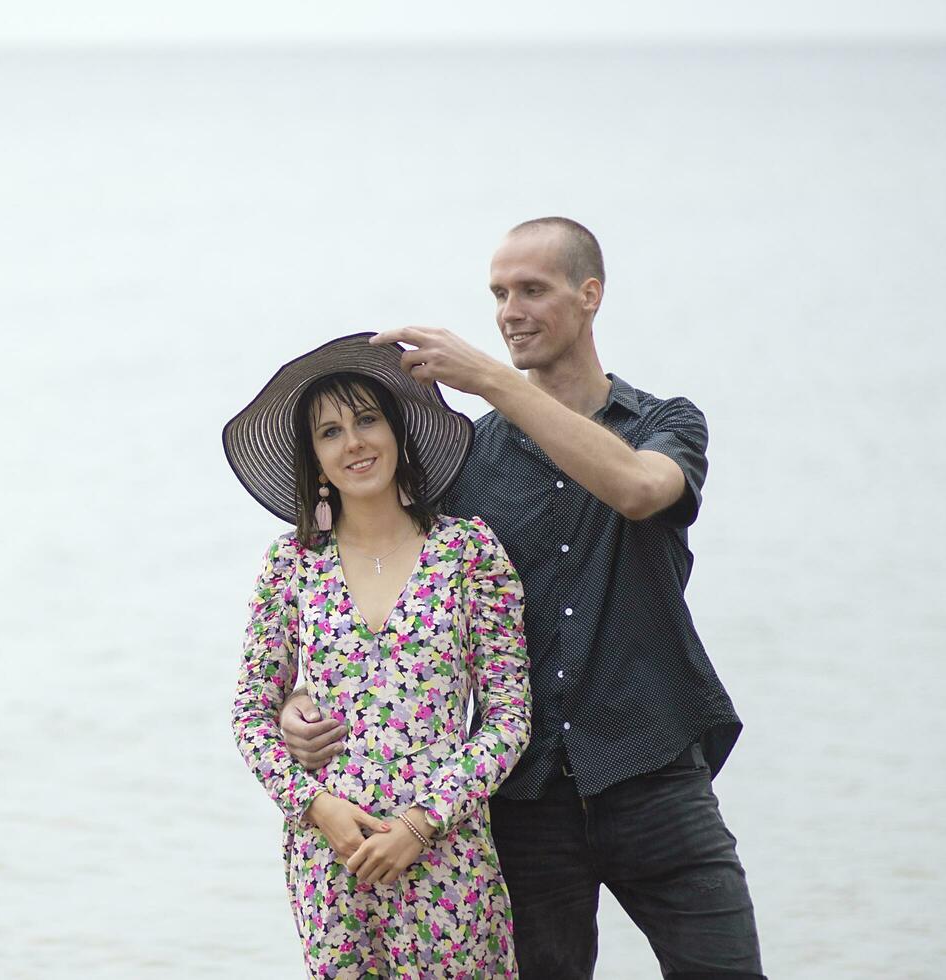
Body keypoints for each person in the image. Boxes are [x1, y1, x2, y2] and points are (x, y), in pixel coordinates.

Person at [280, 218, 765, 979]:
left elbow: (640, 491)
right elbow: (379, 597)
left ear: (590, 295)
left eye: (532, 290)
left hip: (657, 776)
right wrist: (296, 705)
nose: (510, 310)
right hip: (524, 798)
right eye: (500, 294)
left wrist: (492, 381)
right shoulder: (468, 463)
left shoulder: (666, 425)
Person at [224, 335, 532, 979]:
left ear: (397, 430)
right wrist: (315, 807)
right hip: (331, 858)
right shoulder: (291, 563)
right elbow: (251, 715)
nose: (354, 443)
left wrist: (423, 822)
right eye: (330, 432)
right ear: (314, 456)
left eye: (367, 420)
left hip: (445, 856)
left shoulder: (467, 551)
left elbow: (508, 719)